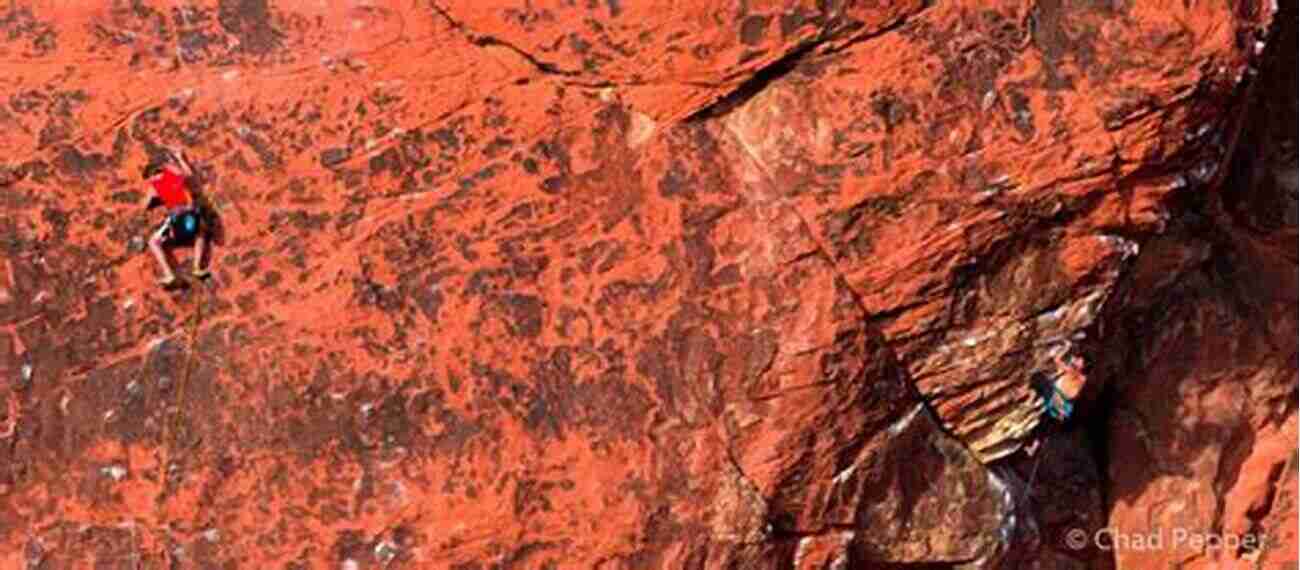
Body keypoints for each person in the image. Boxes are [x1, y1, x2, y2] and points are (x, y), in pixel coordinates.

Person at [141, 146, 208, 288]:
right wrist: (180, 158)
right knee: (200, 232)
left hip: (177, 218)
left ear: (151, 175)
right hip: (192, 214)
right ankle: (197, 267)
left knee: (153, 242)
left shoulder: (154, 186)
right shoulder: (175, 175)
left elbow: (144, 206)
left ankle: (169, 274)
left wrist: (155, 198)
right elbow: (189, 175)